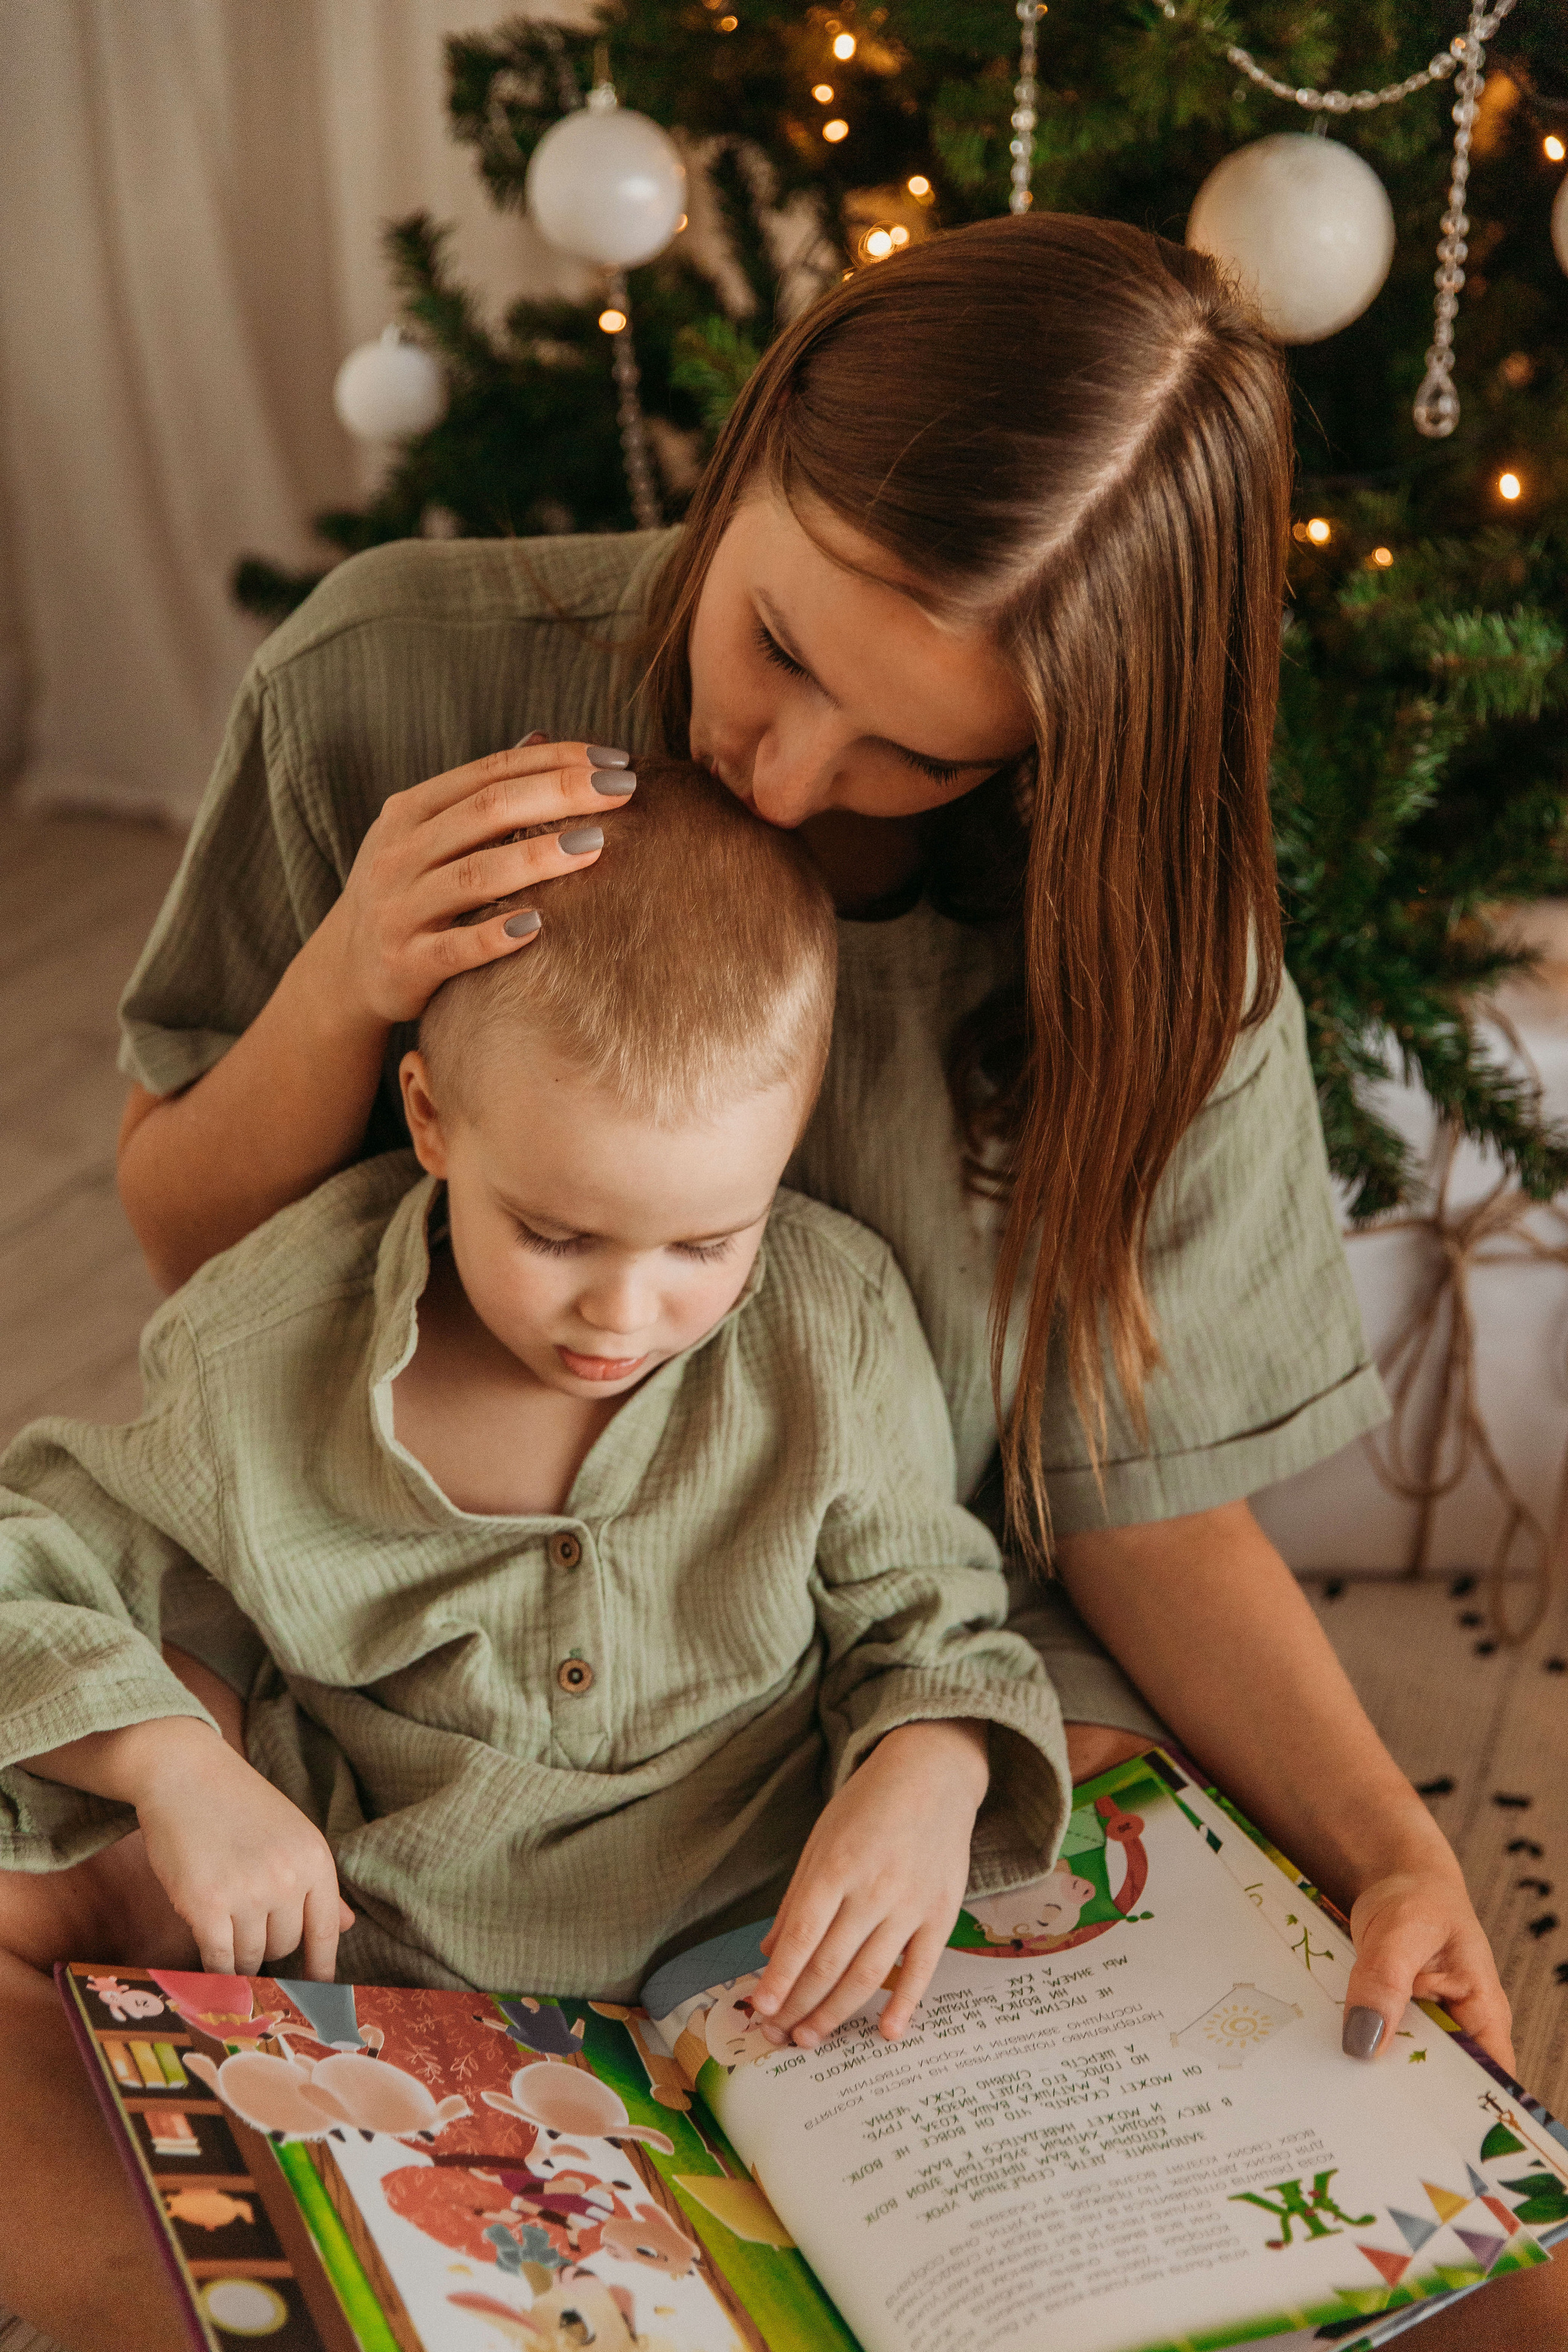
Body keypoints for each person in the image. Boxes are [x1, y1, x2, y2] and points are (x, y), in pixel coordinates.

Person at [9, 212, 1549, 2347]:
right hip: (380, 1670)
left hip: (881, 1674)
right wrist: (352, 982)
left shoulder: (1153, 947)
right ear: (745, 466)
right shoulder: (394, 680)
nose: (796, 776)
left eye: (926, 755)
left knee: (1425, 2245)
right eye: (780, 647)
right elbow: (201, 1255)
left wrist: (1385, 1840)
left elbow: (1136, 1506)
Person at [0, 761, 1066, 2025]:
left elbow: (924, 1619)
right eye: (555, 1236)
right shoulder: (272, 1336)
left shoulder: (830, 1321)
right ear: (430, 1120)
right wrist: (175, 1767)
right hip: (348, 1943)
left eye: (704, 1244)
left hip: (754, 1960)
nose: (623, 1311)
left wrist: (928, 1773)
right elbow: (34, 1567)